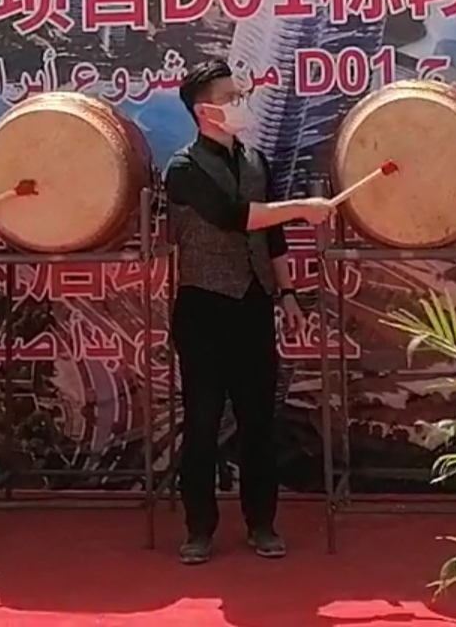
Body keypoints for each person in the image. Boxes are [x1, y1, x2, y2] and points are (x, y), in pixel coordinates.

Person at [163, 59, 334, 566]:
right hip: (204, 306)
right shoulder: (184, 169)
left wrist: (288, 293)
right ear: (204, 111)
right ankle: (199, 529)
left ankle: (262, 523)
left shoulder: (256, 160)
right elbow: (235, 217)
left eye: (239, 95)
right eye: (230, 98)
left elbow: (271, 236)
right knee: (202, 422)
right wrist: (303, 207)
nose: (240, 104)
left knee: (259, 420)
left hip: (254, 304)